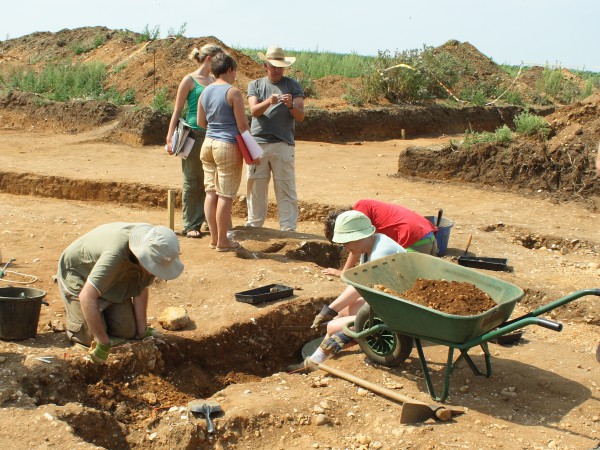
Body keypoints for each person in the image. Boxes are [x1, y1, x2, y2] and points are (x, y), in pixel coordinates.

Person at [287, 211, 406, 373]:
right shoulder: (374, 243)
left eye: (346, 242)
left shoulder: (380, 254)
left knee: (333, 327)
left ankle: (312, 363)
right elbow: (360, 285)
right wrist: (330, 311)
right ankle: (317, 358)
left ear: (358, 237)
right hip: (390, 299)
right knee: (342, 313)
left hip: (399, 309)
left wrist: (340, 323)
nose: (345, 247)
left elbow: (361, 288)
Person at [56, 223, 184, 364]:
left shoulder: (156, 245)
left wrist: (142, 331)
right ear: (143, 255)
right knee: (90, 337)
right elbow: (87, 296)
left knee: (128, 332)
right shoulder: (116, 254)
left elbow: (141, 288)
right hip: (79, 273)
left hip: (115, 279)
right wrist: (102, 342)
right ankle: (79, 328)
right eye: (153, 265)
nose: (155, 271)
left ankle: (103, 307)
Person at [197, 52, 256, 251]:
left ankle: (214, 238)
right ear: (230, 69)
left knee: (210, 192)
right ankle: (223, 241)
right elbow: (242, 126)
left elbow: (200, 122)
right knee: (225, 195)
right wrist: (253, 151)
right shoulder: (233, 92)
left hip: (208, 144)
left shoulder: (205, 91)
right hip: (227, 145)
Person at [165, 44, 224, 239]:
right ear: (209, 59)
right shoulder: (189, 80)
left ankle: (209, 220)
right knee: (192, 180)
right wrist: (170, 136)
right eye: (218, 58)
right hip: (193, 135)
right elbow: (177, 110)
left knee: (211, 180)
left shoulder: (216, 81)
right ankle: (191, 223)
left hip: (213, 134)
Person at [246, 47, 305, 232]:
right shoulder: (255, 85)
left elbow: (300, 115)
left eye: (280, 67)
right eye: (273, 66)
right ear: (266, 66)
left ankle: (288, 228)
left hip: (283, 144)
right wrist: (268, 102)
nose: (277, 70)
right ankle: (255, 225)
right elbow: (254, 111)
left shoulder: (293, 86)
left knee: (285, 186)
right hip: (258, 143)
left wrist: (290, 105)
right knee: (256, 186)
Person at [322, 199, 437, 277]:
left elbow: (357, 248)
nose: (346, 246)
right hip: (429, 238)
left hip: (415, 241)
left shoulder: (358, 214)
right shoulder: (364, 207)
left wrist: (344, 274)